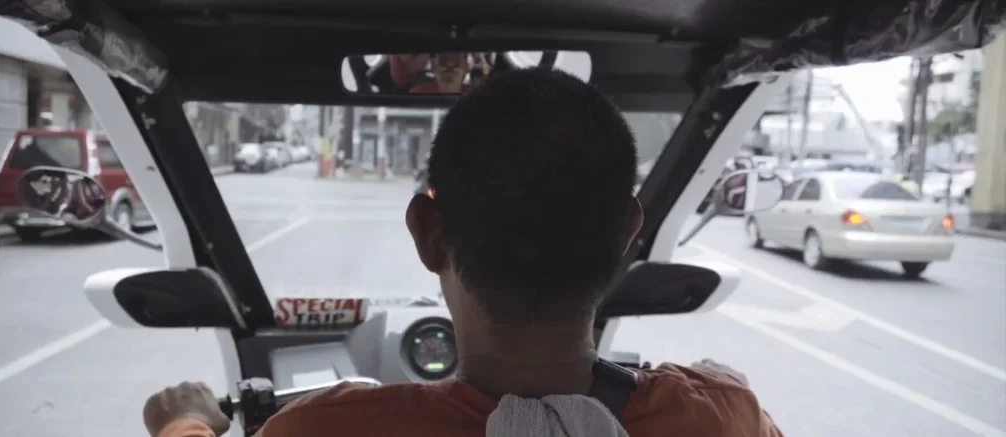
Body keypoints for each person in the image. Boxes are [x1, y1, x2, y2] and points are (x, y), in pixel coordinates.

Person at [146, 68, 784, 437]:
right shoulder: (725, 417)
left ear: (427, 232)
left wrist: (188, 424)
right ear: (627, 234)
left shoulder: (325, 431)